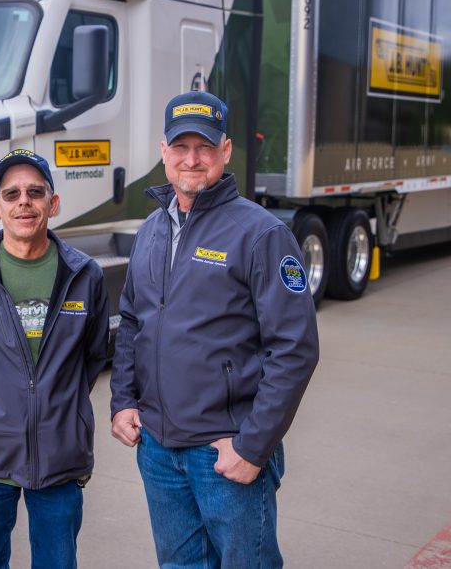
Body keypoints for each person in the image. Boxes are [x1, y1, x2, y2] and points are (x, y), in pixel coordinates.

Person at [110, 91, 320, 568]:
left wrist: (253, 445)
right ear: (164, 153)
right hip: (159, 450)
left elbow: (295, 348)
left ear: (225, 152)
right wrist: (123, 400)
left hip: (223, 452)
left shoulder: (262, 234)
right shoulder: (150, 231)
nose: (191, 159)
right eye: (180, 147)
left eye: (204, 147)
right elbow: (133, 322)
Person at [0, 148, 110, 569]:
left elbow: (94, 355)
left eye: (35, 191)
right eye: (11, 194)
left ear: (53, 202)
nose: (24, 202)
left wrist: (55, 408)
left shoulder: (86, 275)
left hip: (60, 456)